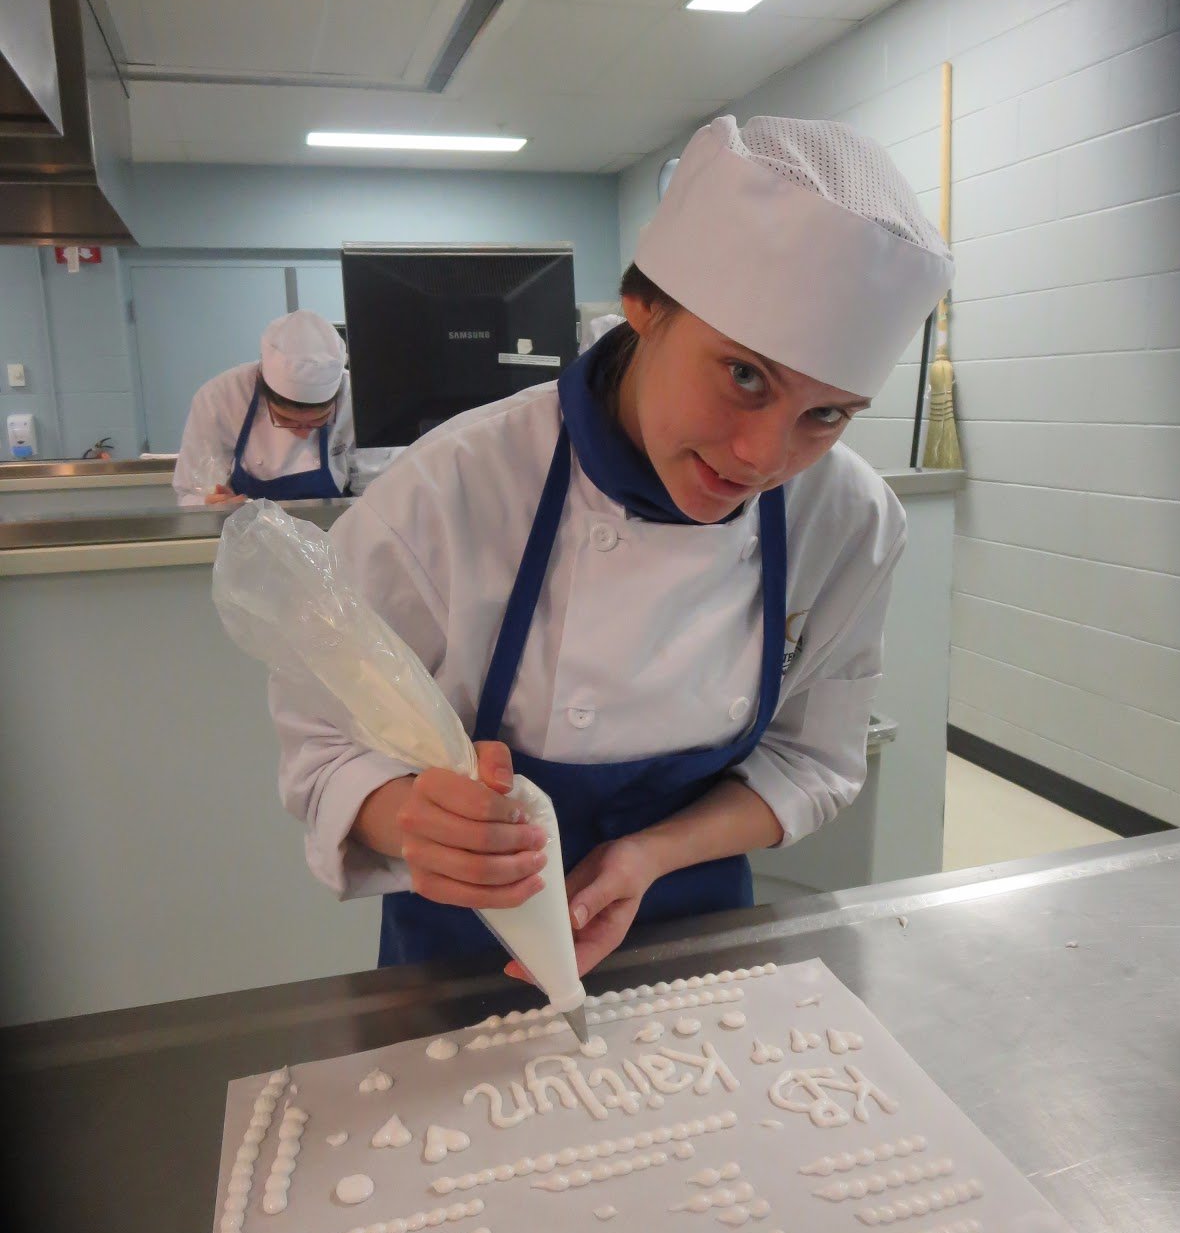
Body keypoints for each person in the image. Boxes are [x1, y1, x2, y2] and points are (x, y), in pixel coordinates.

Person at [270, 116, 954, 982]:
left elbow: (811, 759)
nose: (763, 458)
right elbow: (326, 747)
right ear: (644, 305)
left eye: (825, 415)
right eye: (745, 375)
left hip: (700, 931)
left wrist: (650, 855)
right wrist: (405, 815)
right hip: (462, 954)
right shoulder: (448, 491)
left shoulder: (848, 518)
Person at [174, 310, 367, 506]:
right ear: (263, 390)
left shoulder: (357, 399)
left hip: (334, 528)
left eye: (318, 421)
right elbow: (192, 492)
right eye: (285, 420)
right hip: (250, 530)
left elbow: (376, 490)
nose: (302, 434)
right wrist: (211, 502)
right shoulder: (221, 398)